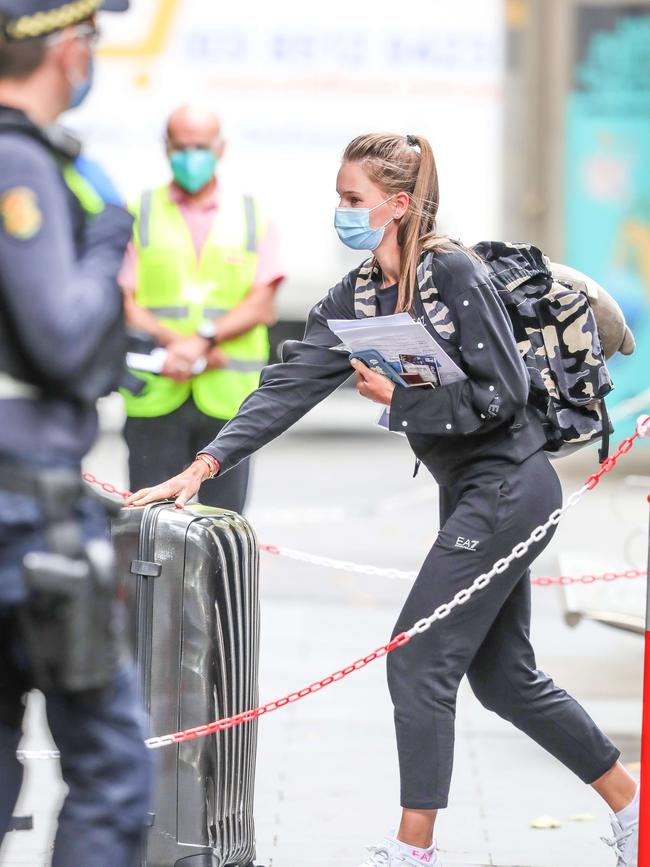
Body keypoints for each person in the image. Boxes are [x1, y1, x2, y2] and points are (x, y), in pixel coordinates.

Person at [126, 133, 640, 867]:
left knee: (416, 660)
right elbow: (289, 384)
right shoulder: (359, 294)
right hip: (470, 492)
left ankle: (413, 849)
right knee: (504, 679)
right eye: (339, 197)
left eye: (353, 200)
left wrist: (400, 399)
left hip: (510, 486)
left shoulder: (452, 272)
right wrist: (204, 464)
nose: (341, 212)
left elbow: (504, 397)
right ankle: (633, 810)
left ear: (399, 205)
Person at [0, 2, 153, 865]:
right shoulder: (21, 160)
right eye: (91, 39)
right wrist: (106, 248)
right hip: (24, 507)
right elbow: (59, 332)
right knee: (110, 767)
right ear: (66, 48)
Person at [119, 104, 285, 514]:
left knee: (222, 528)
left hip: (228, 401)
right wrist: (183, 346)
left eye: (201, 146)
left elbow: (263, 303)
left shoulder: (250, 214)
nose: (191, 156)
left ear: (220, 148)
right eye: (182, 146)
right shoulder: (138, 211)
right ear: (166, 147)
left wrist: (202, 340)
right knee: (149, 526)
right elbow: (124, 302)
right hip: (157, 392)